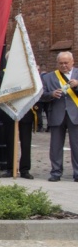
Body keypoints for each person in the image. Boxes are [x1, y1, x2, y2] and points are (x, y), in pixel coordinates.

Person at [40, 51, 78, 182]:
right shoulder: (49, 77)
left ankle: (77, 173)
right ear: (57, 63)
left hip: (75, 114)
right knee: (55, 145)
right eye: (61, 63)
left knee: (76, 145)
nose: (64, 66)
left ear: (72, 62)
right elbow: (41, 95)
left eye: (66, 63)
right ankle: (56, 172)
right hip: (56, 113)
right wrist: (51, 94)